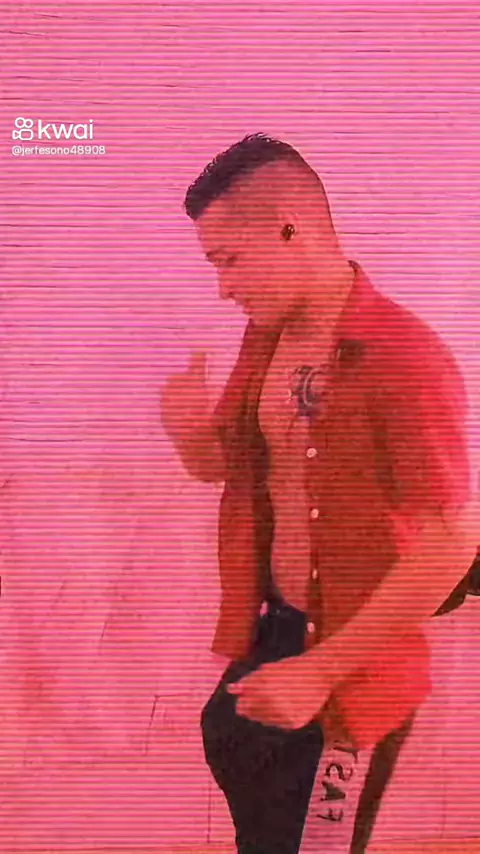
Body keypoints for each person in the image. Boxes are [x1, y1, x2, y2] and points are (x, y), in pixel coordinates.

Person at [161, 133, 478, 854]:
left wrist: (321, 670)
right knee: (256, 813)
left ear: (288, 229)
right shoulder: (265, 338)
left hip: (353, 664)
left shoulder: (405, 355)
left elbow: (455, 539)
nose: (223, 288)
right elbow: (232, 467)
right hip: (275, 632)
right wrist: (186, 433)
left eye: (228, 260)